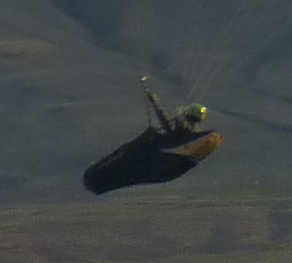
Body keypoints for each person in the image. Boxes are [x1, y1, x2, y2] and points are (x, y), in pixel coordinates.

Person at [82, 81, 223, 195]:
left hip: (154, 163)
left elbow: (165, 122)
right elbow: (166, 123)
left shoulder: (181, 130)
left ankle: (97, 177)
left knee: (126, 158)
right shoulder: (186, 132)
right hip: (163, 167)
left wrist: (154, 101)